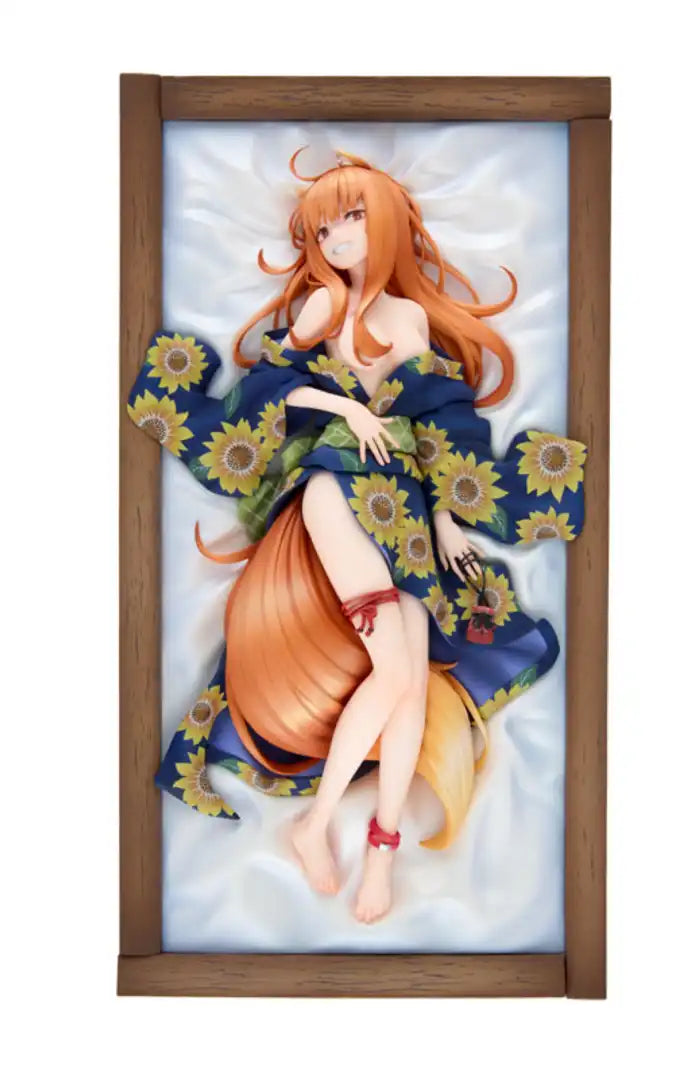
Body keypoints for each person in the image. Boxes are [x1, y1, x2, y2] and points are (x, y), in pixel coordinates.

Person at [127, 149, 587, 922]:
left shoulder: (409, 319)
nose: (337, 237)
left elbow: (443, 424)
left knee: (411, 685)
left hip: (405, 503)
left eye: (352, 218)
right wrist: (346, 407)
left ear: (389, 224)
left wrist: (447, 517)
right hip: (336, 487)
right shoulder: (322, 307)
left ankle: (378, 850)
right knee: (394, 669)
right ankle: (316, 825)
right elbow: (271, 386)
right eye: (323, 228)